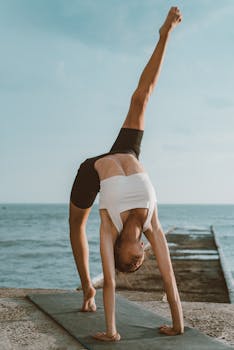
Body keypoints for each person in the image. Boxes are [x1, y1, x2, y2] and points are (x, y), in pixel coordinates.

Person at [69, 6, 184, 342]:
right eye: (140, 263)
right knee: (141, 98)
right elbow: (169, 277)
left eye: (131, 264)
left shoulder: (109, 226)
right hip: (127, 152)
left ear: (121, 252)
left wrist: (112, 331)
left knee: (76, 224)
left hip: (91, 171)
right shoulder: (153, 224)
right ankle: (165, 35)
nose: (139, 262)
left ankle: (87, 289)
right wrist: (178, 325)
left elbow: (112, 279)